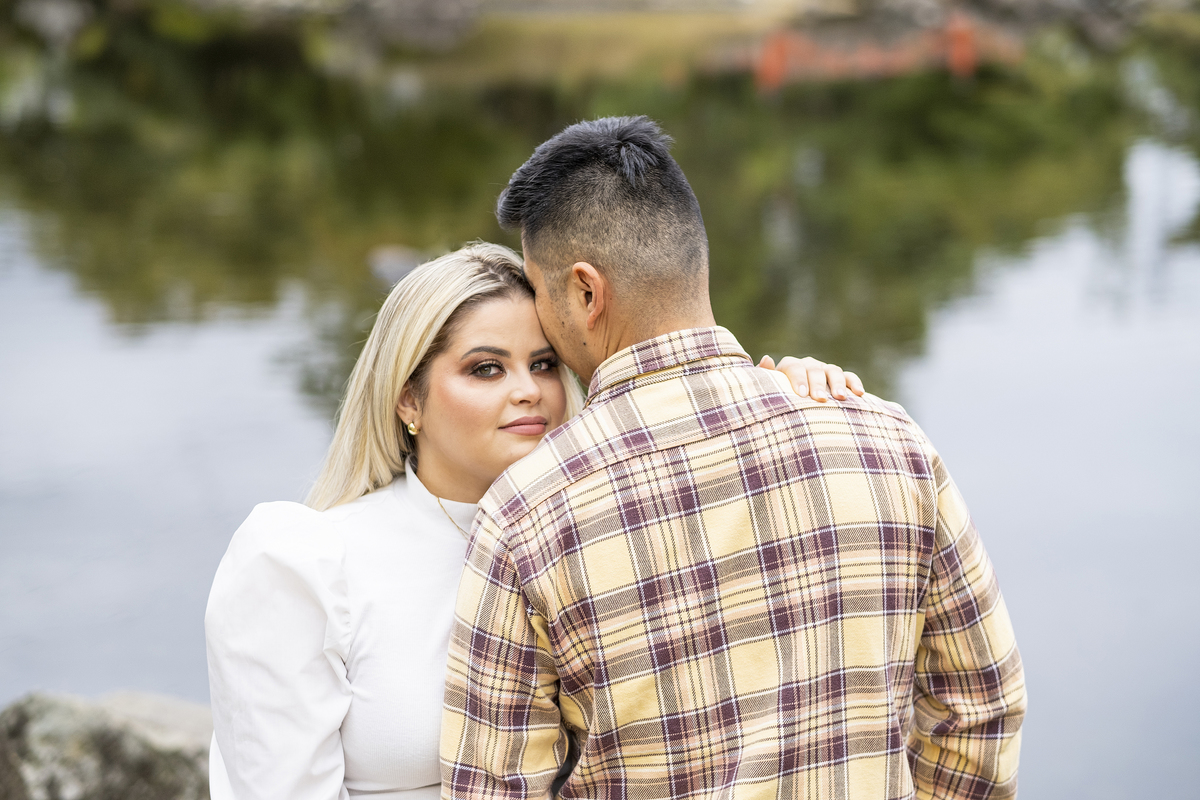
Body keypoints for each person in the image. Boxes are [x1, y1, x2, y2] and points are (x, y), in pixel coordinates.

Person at [441, 117, 1026, 800]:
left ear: (585, 292)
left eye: (539, 293)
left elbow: (496, 787)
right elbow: (982, 709)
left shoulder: (526, 514)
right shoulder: (891, 444)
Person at [205, 242, 863, 799]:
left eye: (543, 364)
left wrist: (788, 397)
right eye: (486, 368)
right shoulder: (305, 560)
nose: (528, 390)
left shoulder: (608, 534)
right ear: (408, 397)